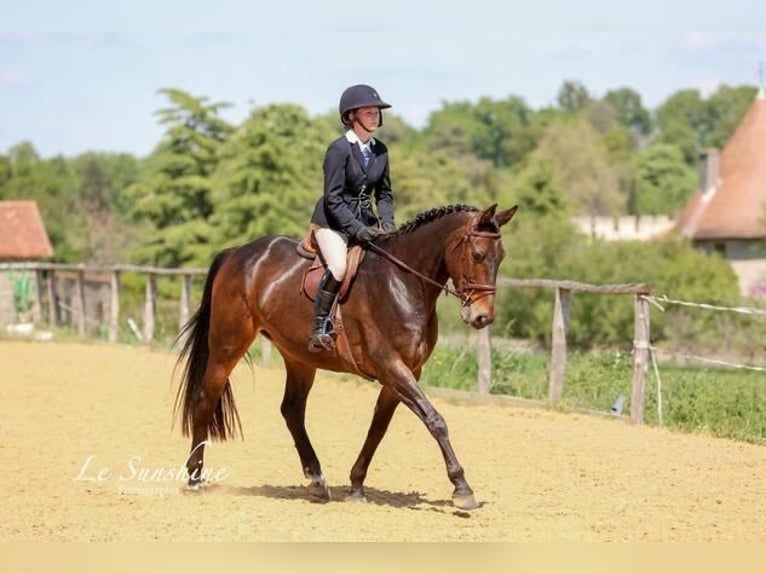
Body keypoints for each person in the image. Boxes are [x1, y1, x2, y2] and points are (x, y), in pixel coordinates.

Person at [307, 84, 396, 352]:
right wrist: (357, 229)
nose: (374, 117)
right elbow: (332, 198)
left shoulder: (381, 151)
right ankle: (320, 326)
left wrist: (388, 225)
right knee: (339, 266)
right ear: (351, 117)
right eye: (368, 112)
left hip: (366, 223)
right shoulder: (338, 150)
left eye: (376, 112)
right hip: (332, 222)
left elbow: (384, 194)